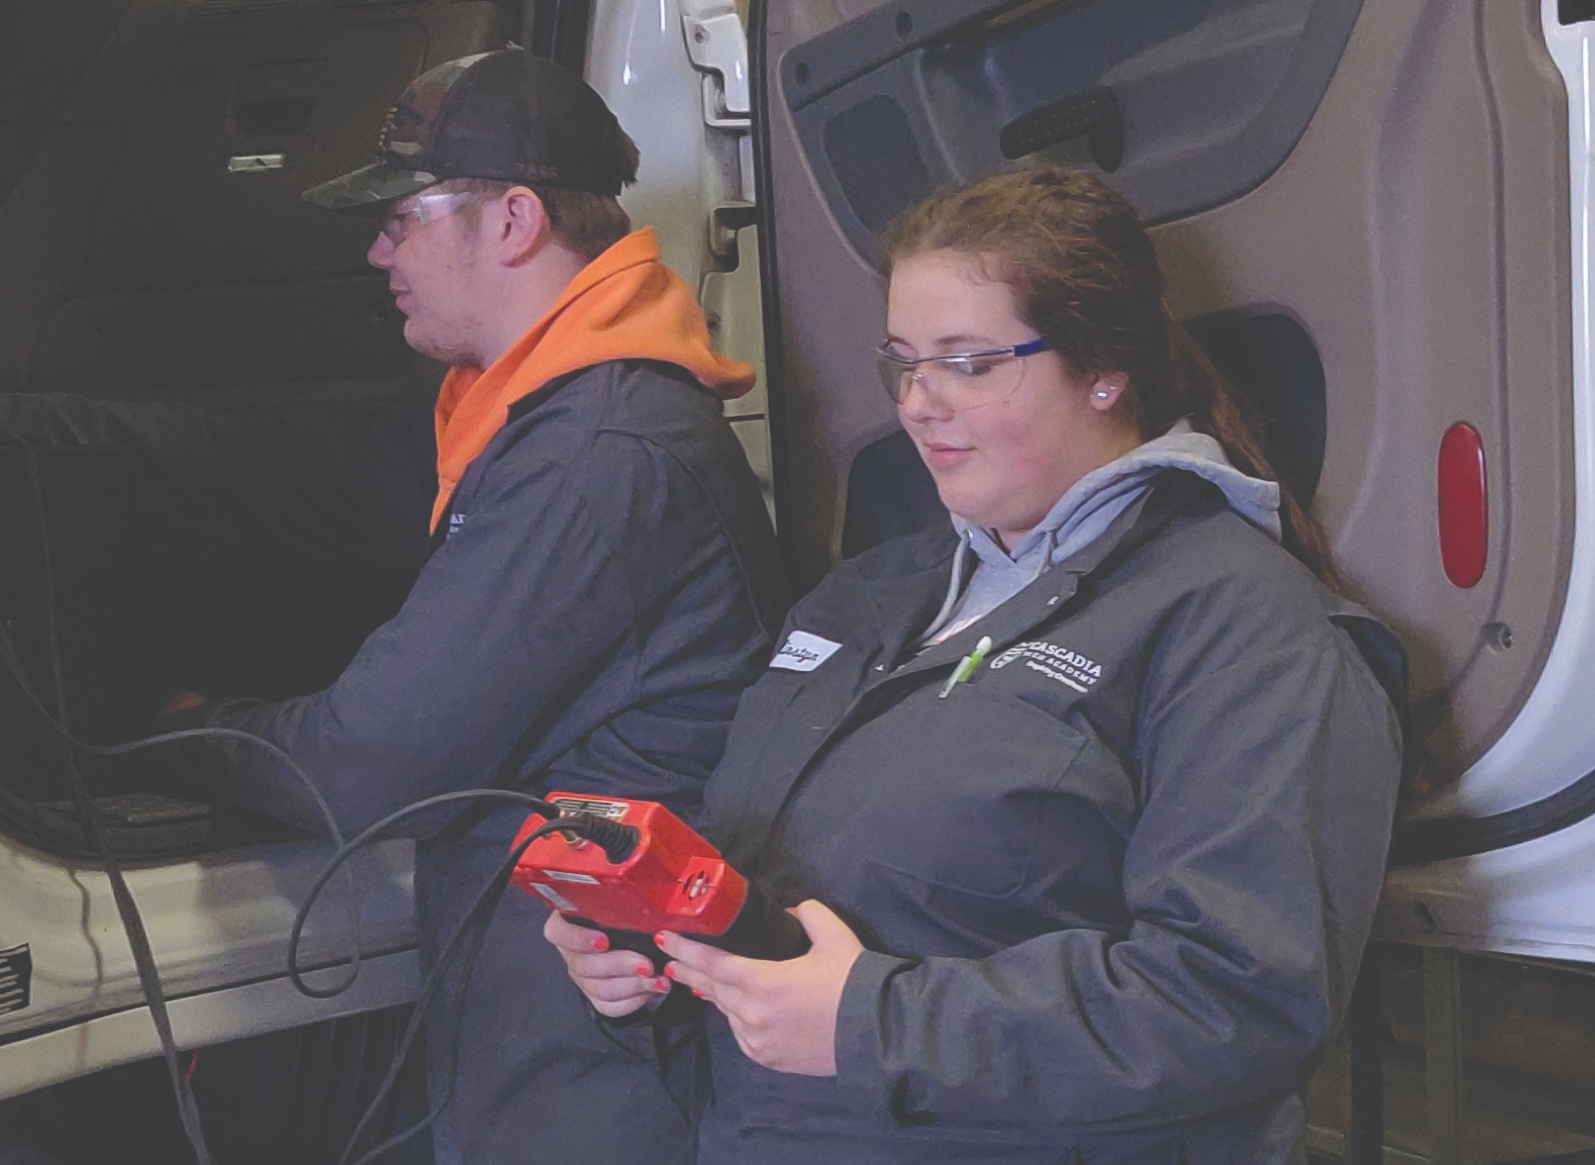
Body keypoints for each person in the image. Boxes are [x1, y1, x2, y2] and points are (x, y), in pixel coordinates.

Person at [547, 165, 1405, 1164]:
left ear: (1103, 368)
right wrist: (657, 950)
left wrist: (870, 1019)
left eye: (968, 363)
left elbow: (1235, 1002)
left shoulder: (1242, 624)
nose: (918, 404)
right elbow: (782, 893)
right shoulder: (860, 595)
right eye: (903, 363)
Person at [167, 48, 786, 1165]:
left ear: (509, 221)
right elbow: (290, 467)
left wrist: (191, 730)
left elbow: (364, 763)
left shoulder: (596, 458)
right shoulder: (524, 416)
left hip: (606, 1062)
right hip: (547, 1020)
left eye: (402, 218)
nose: (376, 250)